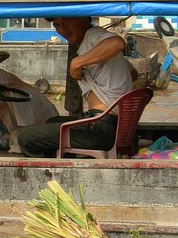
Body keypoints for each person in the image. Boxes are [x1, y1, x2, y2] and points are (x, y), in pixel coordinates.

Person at [16, 17, 136, 158]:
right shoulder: (95, 47)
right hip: (113, 127)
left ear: (84, 19)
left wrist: (77, 63)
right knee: (52, 121)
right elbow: (133, 74)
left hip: (100, 130)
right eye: (57, 25)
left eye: (67, 22)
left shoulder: (93, 34)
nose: (62, 29)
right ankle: (64, 162)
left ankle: (50, 173)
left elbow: (117, 43)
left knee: (25, 137)